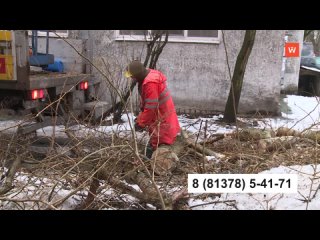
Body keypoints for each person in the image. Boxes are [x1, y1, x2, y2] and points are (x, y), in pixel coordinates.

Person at [124, 60, 180, 159]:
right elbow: (147, 104)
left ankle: (160, 158)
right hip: (160, 112)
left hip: (161, 114)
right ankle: (154, 153)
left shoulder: (150, 83)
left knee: (161, 137)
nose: (132, 79)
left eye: (132, 76)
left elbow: (151, 107)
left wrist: (141, 123)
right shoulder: (147, 76)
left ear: (138, 74)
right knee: (158, 135)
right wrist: (140, 118)